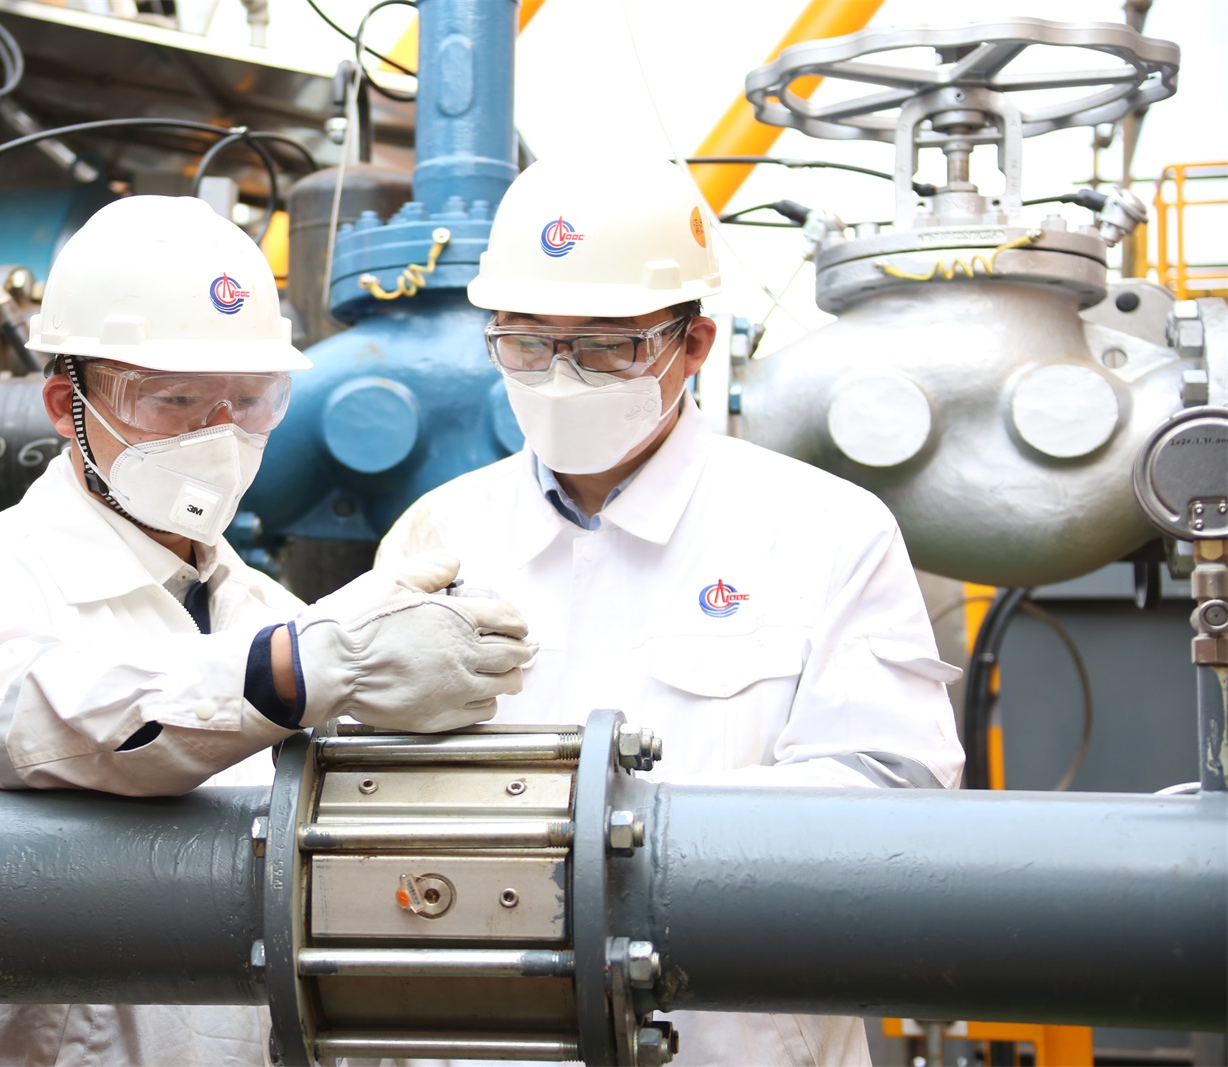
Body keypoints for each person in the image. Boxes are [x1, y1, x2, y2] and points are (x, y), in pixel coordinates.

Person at [0, 195, 533, 1066]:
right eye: (174, 398)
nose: (217, 434)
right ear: (66, 402)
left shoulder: (271, 613)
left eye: (250, 400)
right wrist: (307, 665)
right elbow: (37, 724)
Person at [378, 157, 966, 1066]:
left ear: (693, 344)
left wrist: (608, 839)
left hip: (733, 1035)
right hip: (490, 1032)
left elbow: (892, 794)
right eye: (526, 344)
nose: (560, 379)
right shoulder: (440, 530)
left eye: (605, 347)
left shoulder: (823, 528)